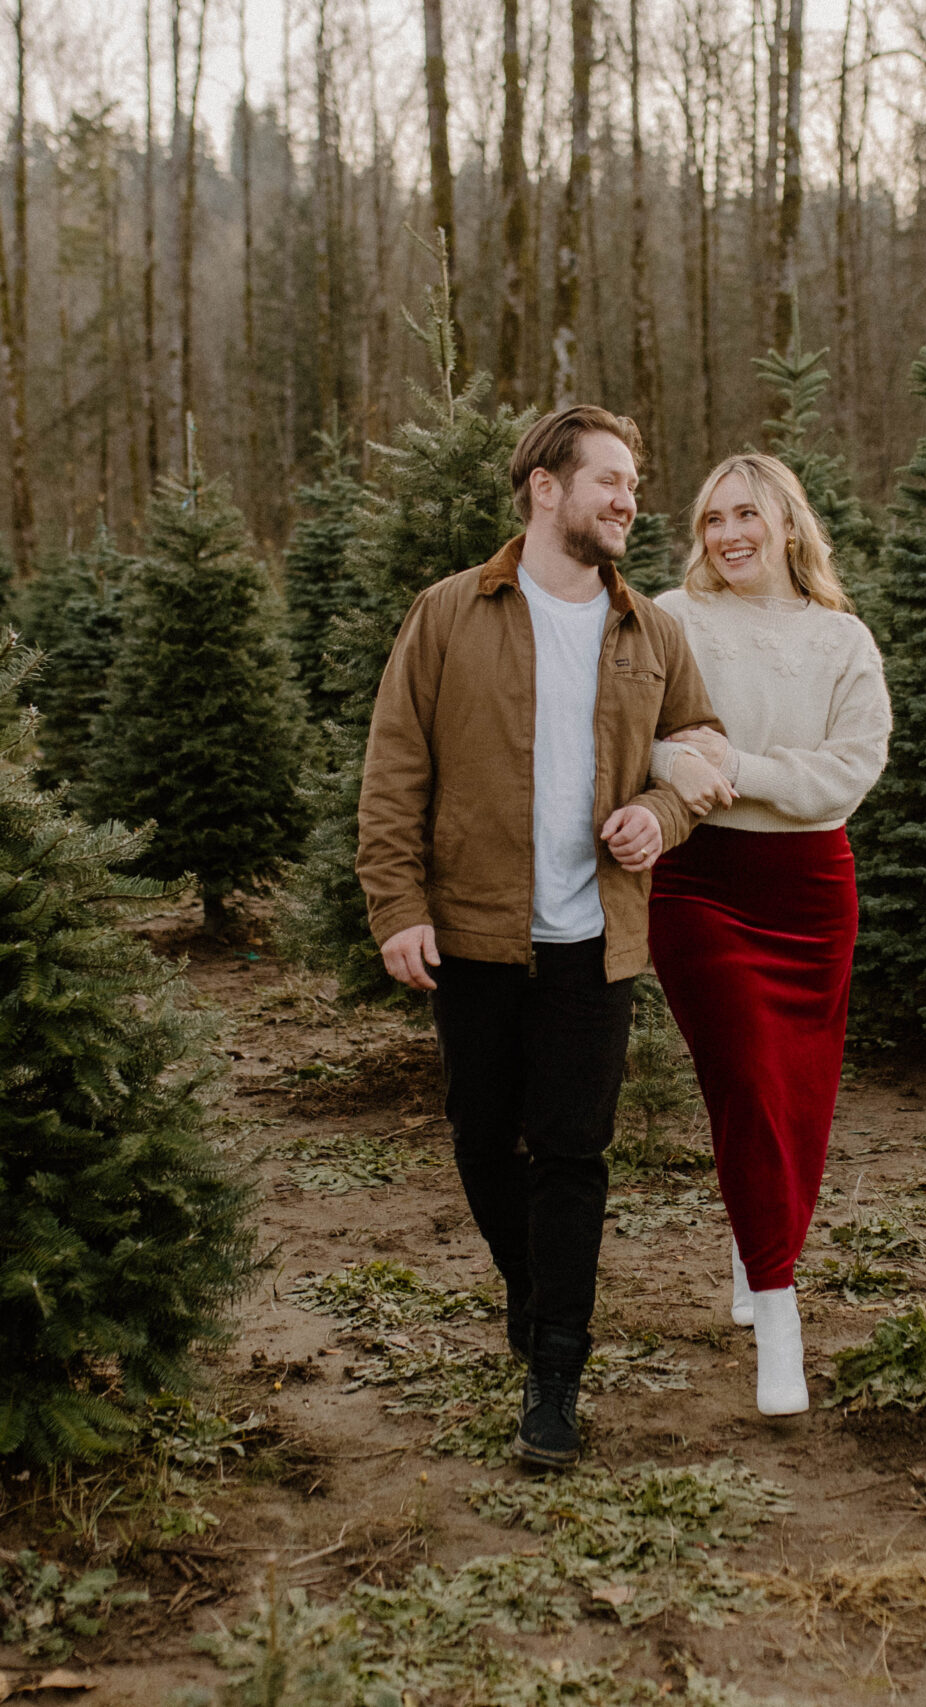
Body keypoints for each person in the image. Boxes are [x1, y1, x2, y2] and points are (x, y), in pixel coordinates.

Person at [356, 404, 722, 1472]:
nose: (628, 500)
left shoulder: (649, 630)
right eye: (609, 480)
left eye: (634, 485)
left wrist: (664, 809)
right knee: (481, 1138)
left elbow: (702, 748)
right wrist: (397, 905)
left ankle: (555, 1371)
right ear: (545, 489)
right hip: (472, 929)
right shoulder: (448, 614)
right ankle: (531, 1290)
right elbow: (394, 772)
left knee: (573, 1153)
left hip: (594, 943)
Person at [645, 453, 893, 1416]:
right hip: (700, 882)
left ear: (788, 525)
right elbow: (627, 727)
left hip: (809, 888)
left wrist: (737, 764)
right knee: (745, 1076)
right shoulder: (672, 618)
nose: (728, 535)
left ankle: (755, 1251)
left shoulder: (842, 639)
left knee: (797, 1095)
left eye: (746, 514)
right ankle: (781, 1314)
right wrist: (674, 755)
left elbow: (849, 770)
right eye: (712, 519)